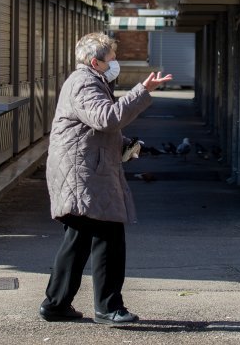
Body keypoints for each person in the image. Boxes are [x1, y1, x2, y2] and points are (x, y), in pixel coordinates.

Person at [39, 32, 173, 325]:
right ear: (94, 61)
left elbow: (99, 127)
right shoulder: (85, 82)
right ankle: (108, 307)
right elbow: (106, 118)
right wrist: (142, 91)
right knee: (107, 236)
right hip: (83, 173)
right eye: (110, 58)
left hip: (86, 170)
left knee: (79, 239)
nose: (115, 63)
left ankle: (56, 304)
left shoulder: (92, 81)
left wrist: (124, 145)